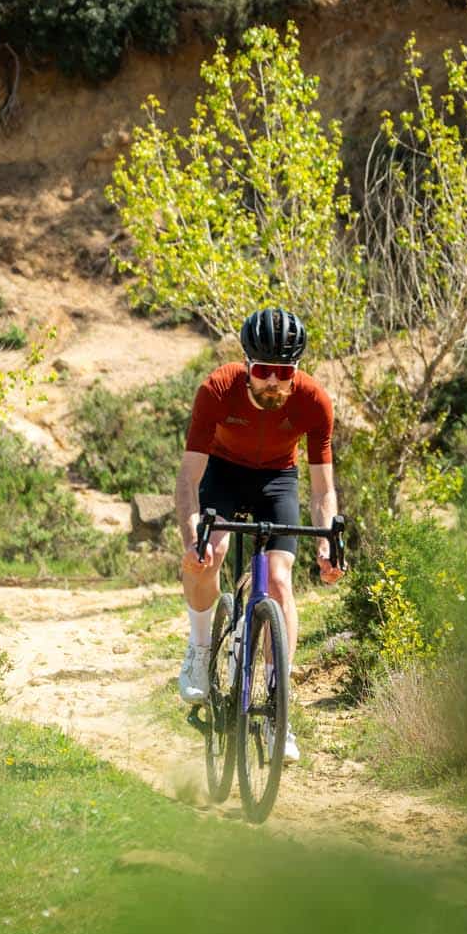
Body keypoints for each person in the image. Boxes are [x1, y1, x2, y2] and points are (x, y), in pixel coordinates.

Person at [174, 305, 343, 762]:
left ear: (296, 370)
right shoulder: (217, 389)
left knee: (281, 578)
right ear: (248, 365)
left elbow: (323, 489)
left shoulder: (313, 401)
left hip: (277, 480)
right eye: (264, 370)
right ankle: (199, 647)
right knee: (213, 550)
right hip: (224, 475)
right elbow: (189, 479)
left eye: (283, 371)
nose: (273, 381)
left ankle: (277, 708)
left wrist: (327, 543)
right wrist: (193, 539)